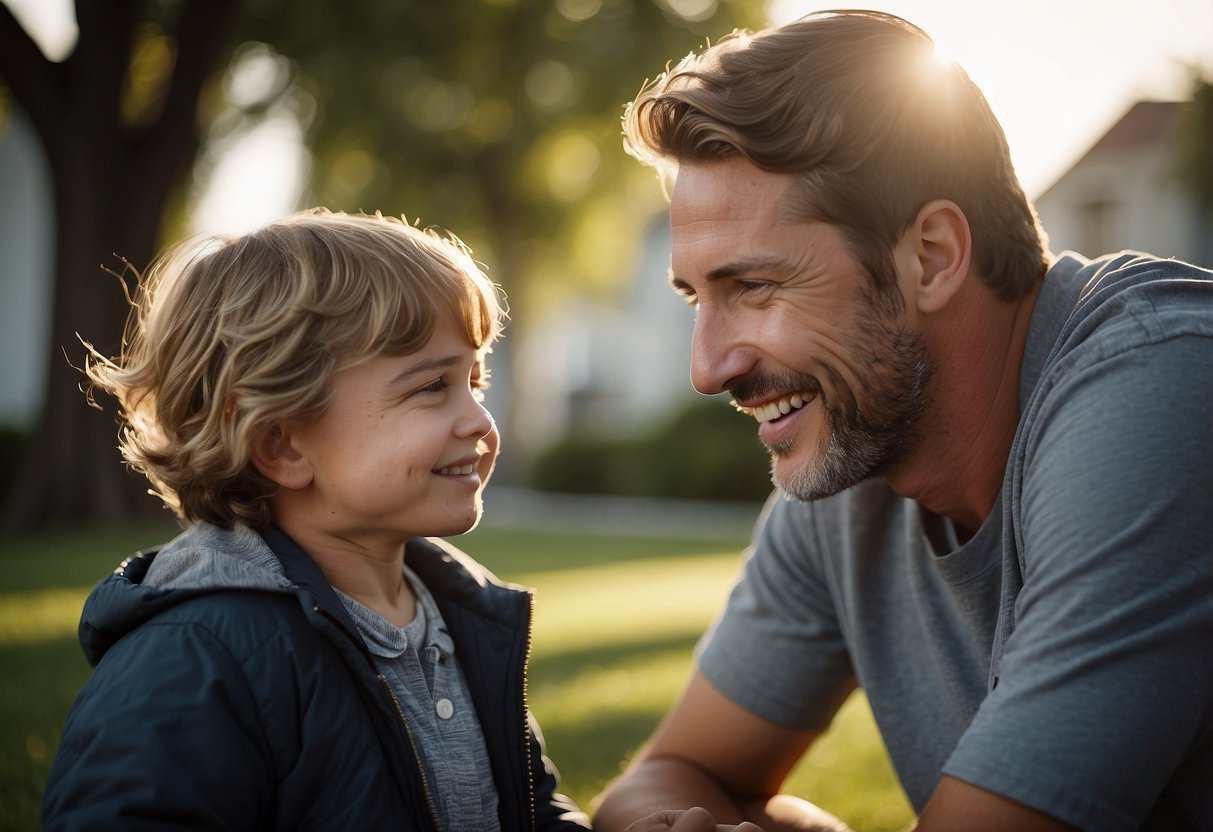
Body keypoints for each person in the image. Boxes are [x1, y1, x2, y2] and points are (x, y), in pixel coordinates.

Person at [594, 10, 1213, 832]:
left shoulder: (1159, 381)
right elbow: (671, 776)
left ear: (930, 256)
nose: (708, 368)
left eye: (753, 288)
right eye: (695, 297)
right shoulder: (858, 451)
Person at [42, 208, 590, 831]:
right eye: (433, 386)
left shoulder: (460, 614)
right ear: (283, 445)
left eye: (476, 379)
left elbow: (528, 808)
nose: (480, 422)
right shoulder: (196, 655)